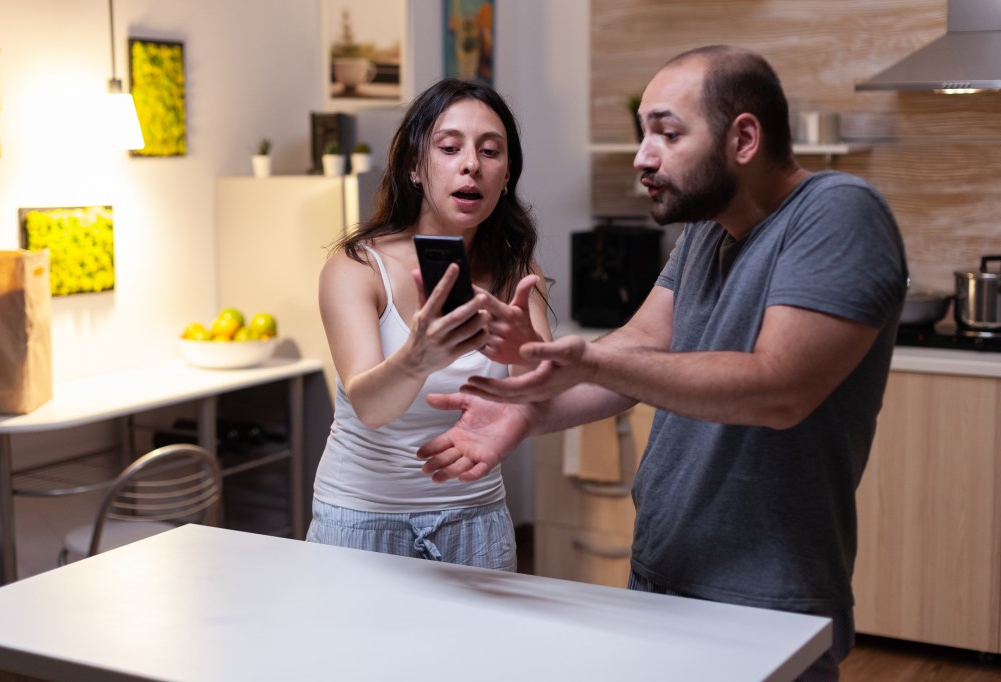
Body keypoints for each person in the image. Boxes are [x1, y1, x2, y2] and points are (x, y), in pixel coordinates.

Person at [416, 46, 907, 680]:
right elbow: (643, 340)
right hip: (665, 567)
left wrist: (587, 363)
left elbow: (777, 388)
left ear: (745, 138)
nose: (644, 156)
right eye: (642, 132)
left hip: (765, 591)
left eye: (667, 133)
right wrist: (531, 410)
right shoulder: (707, 227)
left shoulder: (837, 213)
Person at [306, 77, 552, 572]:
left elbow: (546, 404)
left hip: (475, 518)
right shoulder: (356, 268)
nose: (471, 165)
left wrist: (528, 354)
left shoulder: (517, 274)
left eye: (490, 151)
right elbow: (372, 407)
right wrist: (420, 356)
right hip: (359, 519)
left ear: (506, 176)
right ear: (415, 167)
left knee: (475, 654)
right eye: (449, 147)